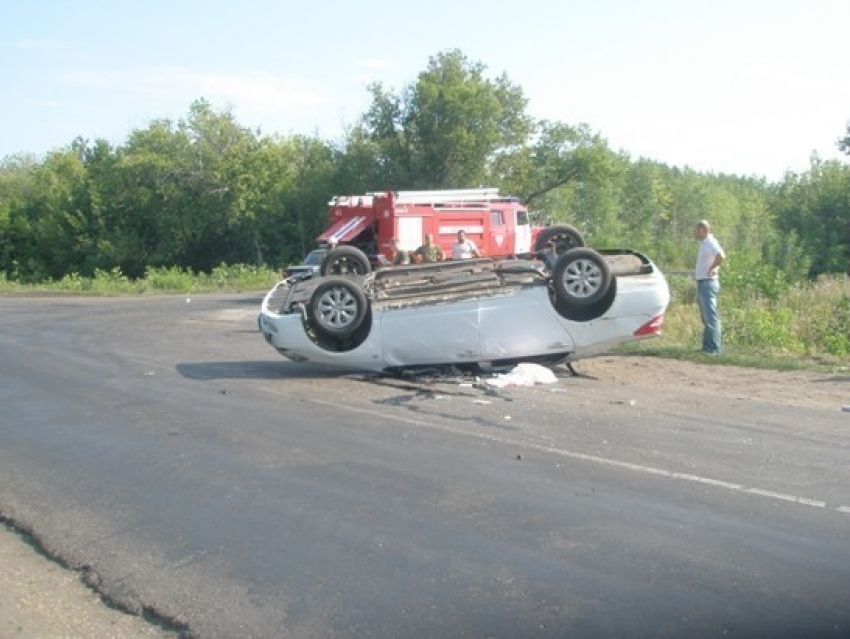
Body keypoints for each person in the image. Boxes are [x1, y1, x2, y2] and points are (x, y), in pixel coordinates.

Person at [694, 219, 726, 355]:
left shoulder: (711, 242)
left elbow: (721, 256)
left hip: (708, 282)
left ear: (703, 230)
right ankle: (707, 347)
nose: (695, 232)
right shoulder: (704, 244)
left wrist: (713, 268)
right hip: (703, 281)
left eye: (697, 229)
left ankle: (714, 348)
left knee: (711, 316)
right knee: (706, 317)